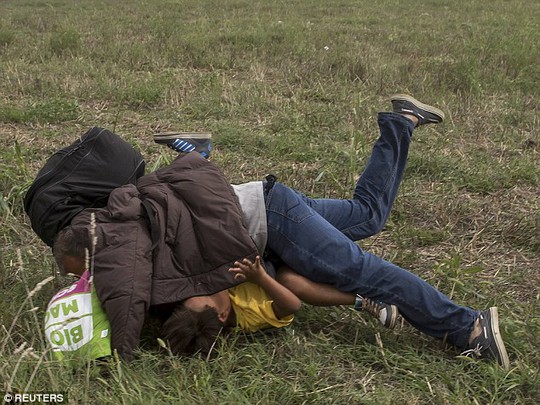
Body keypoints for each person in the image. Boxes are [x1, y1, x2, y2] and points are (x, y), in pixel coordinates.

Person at [51, 94, 509, 369]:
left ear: (97, 249)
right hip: (265, 203)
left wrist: (117, 359)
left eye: (83, 271)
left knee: (369, 275)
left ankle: (467, 326)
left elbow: (125, 295)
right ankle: (401, 121)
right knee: (367, 216)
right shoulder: (118, 218)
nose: (85, 280)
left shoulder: (123, 252)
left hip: (273, 223)